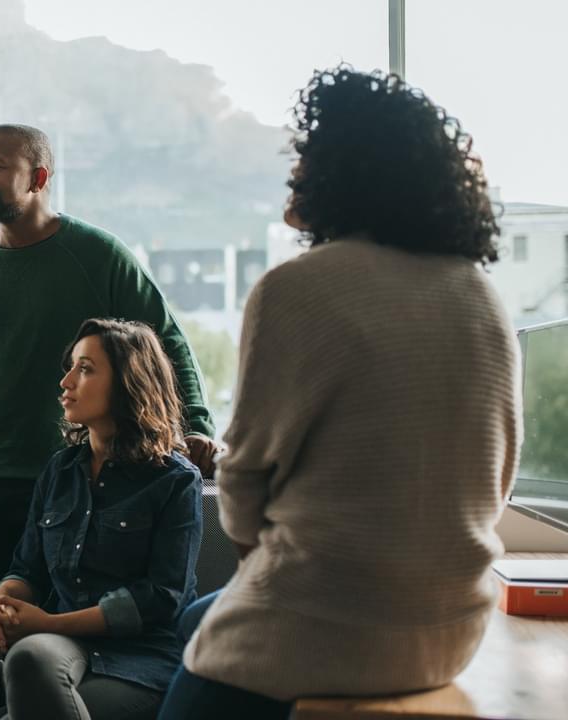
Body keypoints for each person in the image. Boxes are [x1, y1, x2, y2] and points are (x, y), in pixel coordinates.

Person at [157, 66, 521, 720]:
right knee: (194, 620)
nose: (295, 168)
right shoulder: (483, 296)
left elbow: (240, 482)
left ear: (347, 170)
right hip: (451, 629)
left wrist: (259, 571)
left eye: (309, 152)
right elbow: (498, 481)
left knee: (191, 680)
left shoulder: (295, 288)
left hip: (332, 629)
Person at [0, 123, 218, 709]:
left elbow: (163, 342)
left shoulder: (97, 256)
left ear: (38, 179)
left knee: (53, 634)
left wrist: (196, 427)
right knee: (4, 637)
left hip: (77, 471)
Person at [0, 318, 202, 720]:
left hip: (143, 662)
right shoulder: (59, 471)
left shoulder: (176, 481)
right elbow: (27, 569)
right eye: (71, 366)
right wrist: (2, 602)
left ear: (129, 383)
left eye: (85, 368)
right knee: (27, 656)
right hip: (63, 651)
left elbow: (162, 597)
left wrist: (50, 623)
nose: (66, 381)